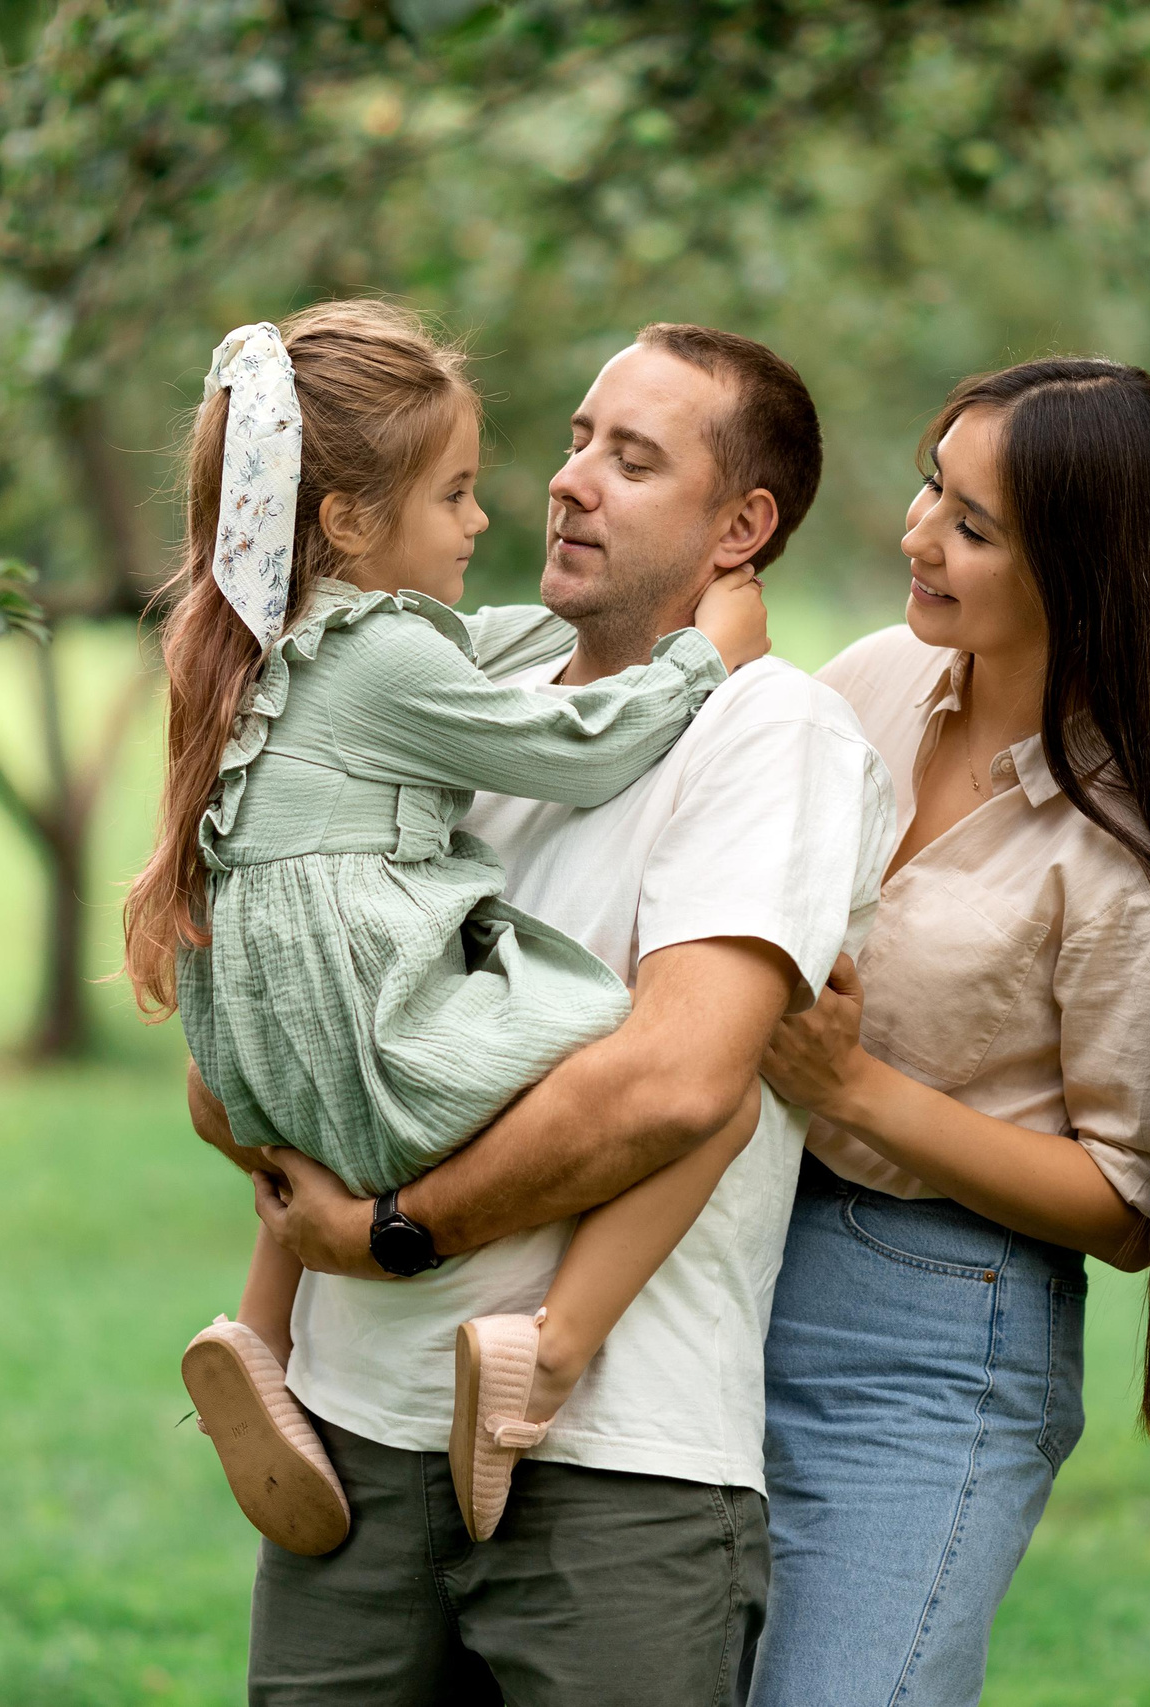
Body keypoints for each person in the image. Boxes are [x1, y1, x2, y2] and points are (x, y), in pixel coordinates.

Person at [191, 322, 897, 1706]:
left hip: (611, 1471)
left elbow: (675, 1083)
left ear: (742, 525)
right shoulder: (467, 685)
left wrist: (391, 1227)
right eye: (575, 438)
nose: (565, 481)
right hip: (349, 1446)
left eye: (632, 459)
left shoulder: (771, 734)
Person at [118, 301, 782, 1557]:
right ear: (351, 523)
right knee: (699, 1089)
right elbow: (575, 750)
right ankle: (547, 1352)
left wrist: (619, 620)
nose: (488, 519)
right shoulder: (386, 666)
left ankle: (260, 1340)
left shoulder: (273, 642)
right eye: (455, 496)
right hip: (376, 1054)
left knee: (344, 1129)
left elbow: (496, 642)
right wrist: (701, 660)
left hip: (261, 1067)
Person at [749, 358, 1150, 1707]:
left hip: (934, 1335)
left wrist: (855, 1085)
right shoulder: (871, 681)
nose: (919, 530)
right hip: (740, 1262)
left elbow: (1126, 1201)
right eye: (936, 483)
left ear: (1086, 575)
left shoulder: (1119, 863)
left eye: (973, 525)